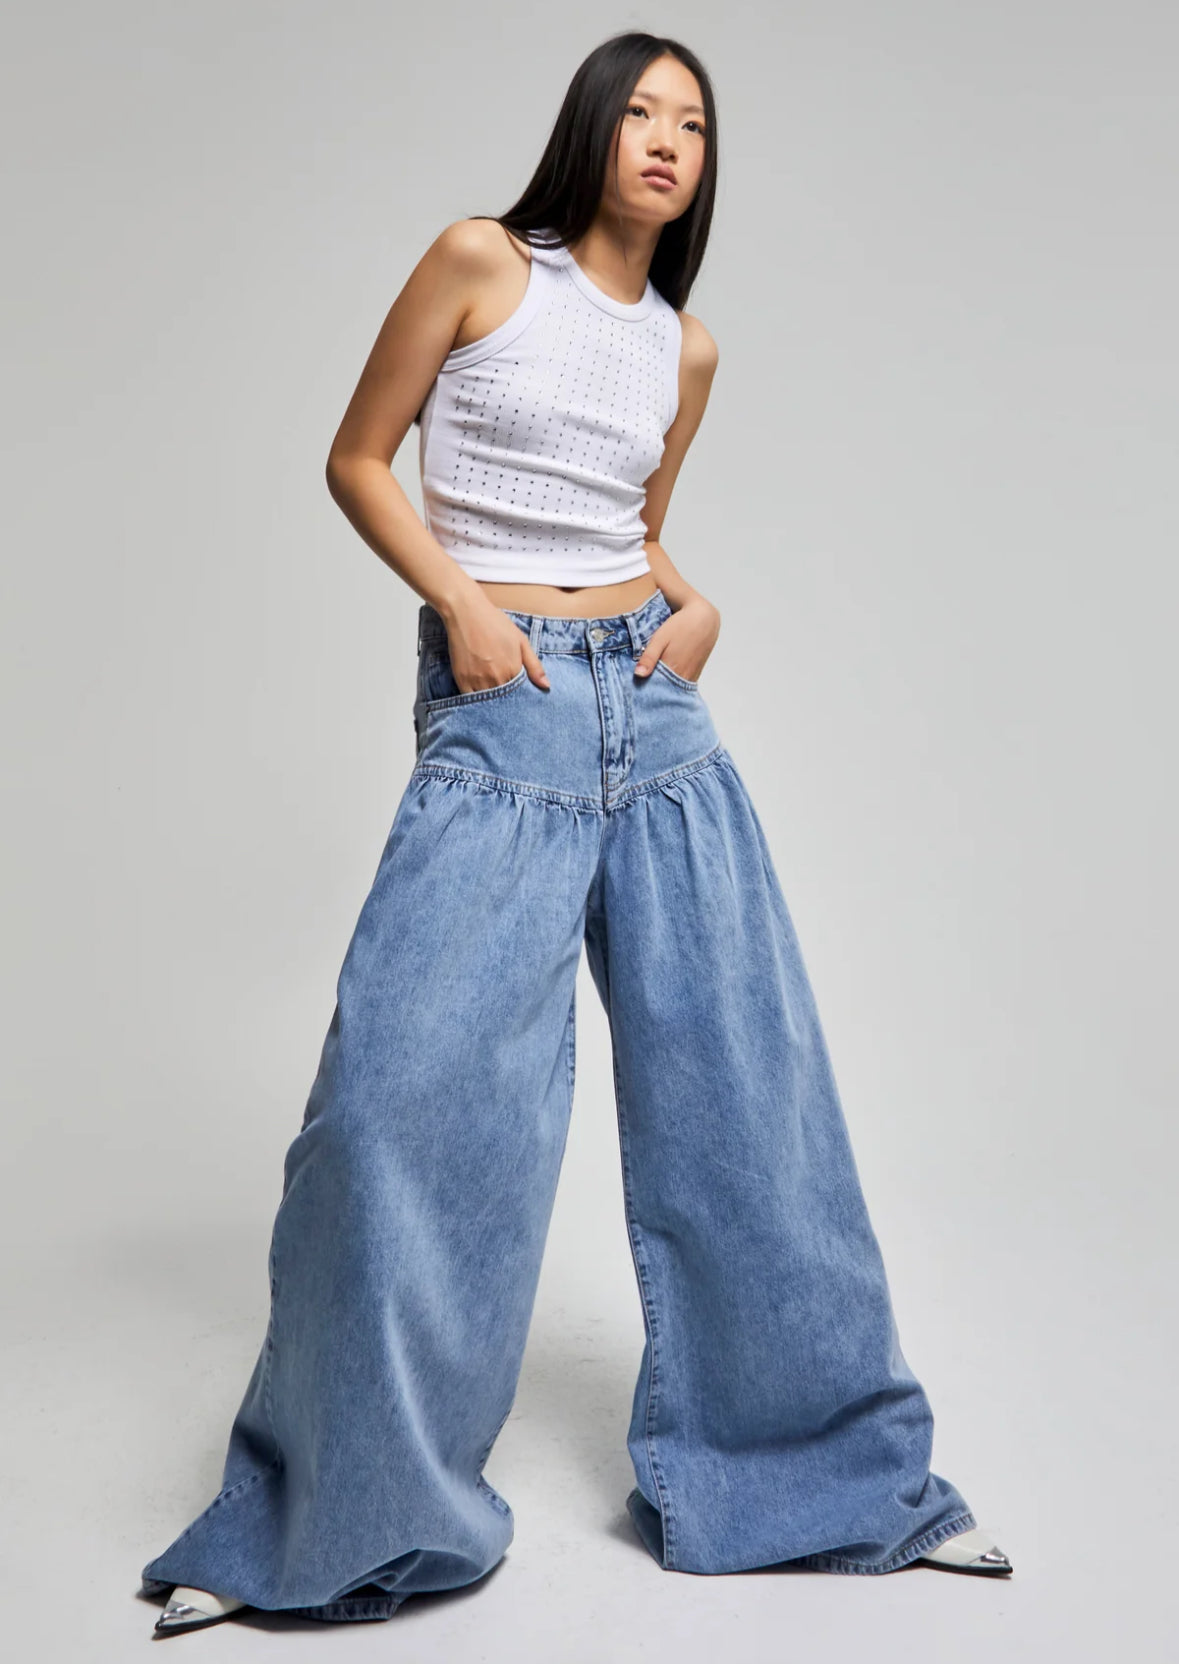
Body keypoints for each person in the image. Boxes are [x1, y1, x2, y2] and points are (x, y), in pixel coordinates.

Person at [139, 30, 1012, 1639]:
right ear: (593, 128)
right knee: (396, 1106)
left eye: (695, 123)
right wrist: (462, 609)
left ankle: (829, 1486)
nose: (668, 140)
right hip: (509, 709)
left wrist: (697, 605)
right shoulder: (483, 262)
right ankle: (327, 1515)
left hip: (655, 719)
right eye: (643, 112)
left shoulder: (686, 349)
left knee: (751, 1106)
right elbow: (358, 458)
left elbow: (634, 527)